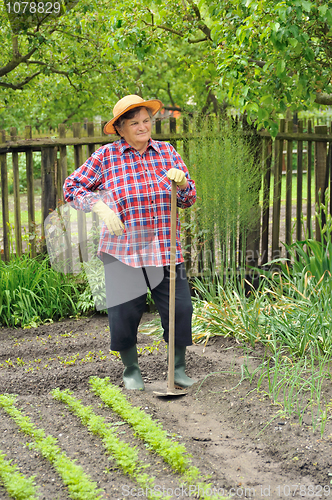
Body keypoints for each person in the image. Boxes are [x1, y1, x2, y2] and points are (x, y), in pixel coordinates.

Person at [63, 94, 196, 390]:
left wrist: (184, 183)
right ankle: (131, 370)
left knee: (181, 309)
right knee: (124, 313)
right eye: (134, 123)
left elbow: (188, 199)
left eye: (146, 121)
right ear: (120, 129)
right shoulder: (106, 157)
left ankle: (178, 367)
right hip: (122, 251)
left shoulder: (167, 152)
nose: (142, 127)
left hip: (165, 249)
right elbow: (71, 187)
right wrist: (100, 207)